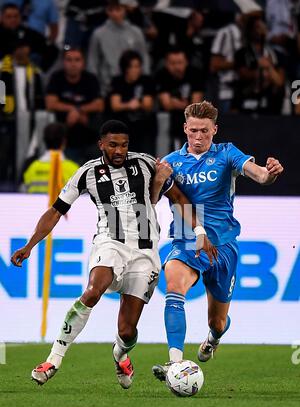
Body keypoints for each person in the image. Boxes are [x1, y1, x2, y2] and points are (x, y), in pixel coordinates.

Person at [11, 119, 206, 389]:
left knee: (127, 330)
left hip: (145, 251)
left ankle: (120, 354)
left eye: (124, 145)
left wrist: (199, 232)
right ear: (101, 144)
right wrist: (30, 244)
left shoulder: (147, 164)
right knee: (93, 290)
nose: (119, 151)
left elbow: (179, 199)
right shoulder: (87, 173)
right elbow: (56, 210)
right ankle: (53, 360)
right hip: (109, 243)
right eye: (113, 145)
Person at [151, 101, 284, 381]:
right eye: (194, 131)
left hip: (222, 246)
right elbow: (152, 199)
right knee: (174, 283)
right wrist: (157, 181)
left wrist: (268, 174)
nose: (199, 138)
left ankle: (213, 338)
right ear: (185, 129)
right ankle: (174, 362)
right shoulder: (171, 162)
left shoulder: (226, 154)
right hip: (188, 242)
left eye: (205, 132)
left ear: (215, 130)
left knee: (218, 321)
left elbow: (258, 175)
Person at [22, 123, 79, 193]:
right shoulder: (74, 170)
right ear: (64, 141)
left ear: (44, 141)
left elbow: (23, 193)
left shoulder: (32, 168)